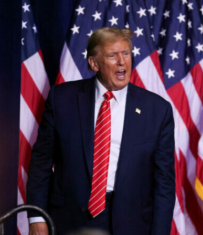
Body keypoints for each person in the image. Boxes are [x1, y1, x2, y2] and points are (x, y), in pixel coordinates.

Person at [27, 27, 175, 235]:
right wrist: (37, 216)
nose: (122, 61)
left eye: (126, 54)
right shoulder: (62, 99)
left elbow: (164, 185)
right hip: (69, 220)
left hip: (131, 223)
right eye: (113, 55)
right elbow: (41, 161)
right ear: (94, 63)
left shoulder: (157, 110)